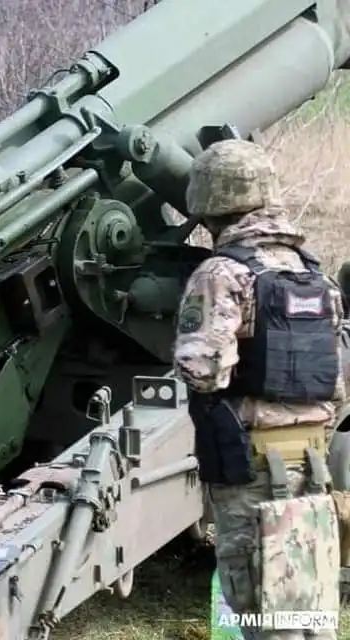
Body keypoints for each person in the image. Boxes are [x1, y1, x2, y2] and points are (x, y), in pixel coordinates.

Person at [172, 139, 343, 639]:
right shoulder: (314, 276)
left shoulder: (223, 274)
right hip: (312, 465)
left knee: (263, 612)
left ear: (209, 202)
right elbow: (334, 382)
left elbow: (203, 370)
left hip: (251, 470)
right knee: (307, 609)